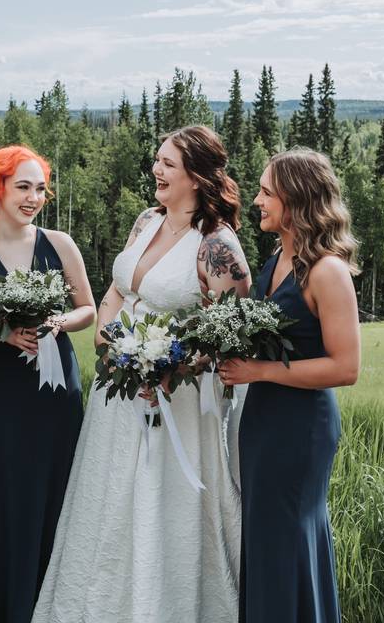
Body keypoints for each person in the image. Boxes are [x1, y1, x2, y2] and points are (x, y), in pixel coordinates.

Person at [33, 126, 251, 622]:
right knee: (108, 501)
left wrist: (171, 369)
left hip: (177, 399)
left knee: (162, 507)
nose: (156, 170)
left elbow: (230, 332)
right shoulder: (146, 220)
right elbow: (116, 291)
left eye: (168, 164)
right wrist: (110, 340)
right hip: (118, 392)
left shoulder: (217, 245)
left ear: (197, 177)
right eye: (157, 160)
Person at [0, 145, 95, 623]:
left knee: (59, 493)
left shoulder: (61, 244)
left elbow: (87, 309)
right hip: (0, 397)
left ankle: (57, 608)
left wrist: (59, 322)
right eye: (22, 186)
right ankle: (4, 609)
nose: (33, 197)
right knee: (5, 498)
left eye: (40, 188)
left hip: (57, 396)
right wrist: (3, 335)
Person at [217, 148, 360, 623]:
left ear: (295, 201)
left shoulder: (328, 272)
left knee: (288, 537)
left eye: (265, 192)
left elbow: (345, 367)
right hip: (262, 421)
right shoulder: (279, 257)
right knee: (263, 539)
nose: (257, 200)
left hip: (300, 428)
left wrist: (261, 372)